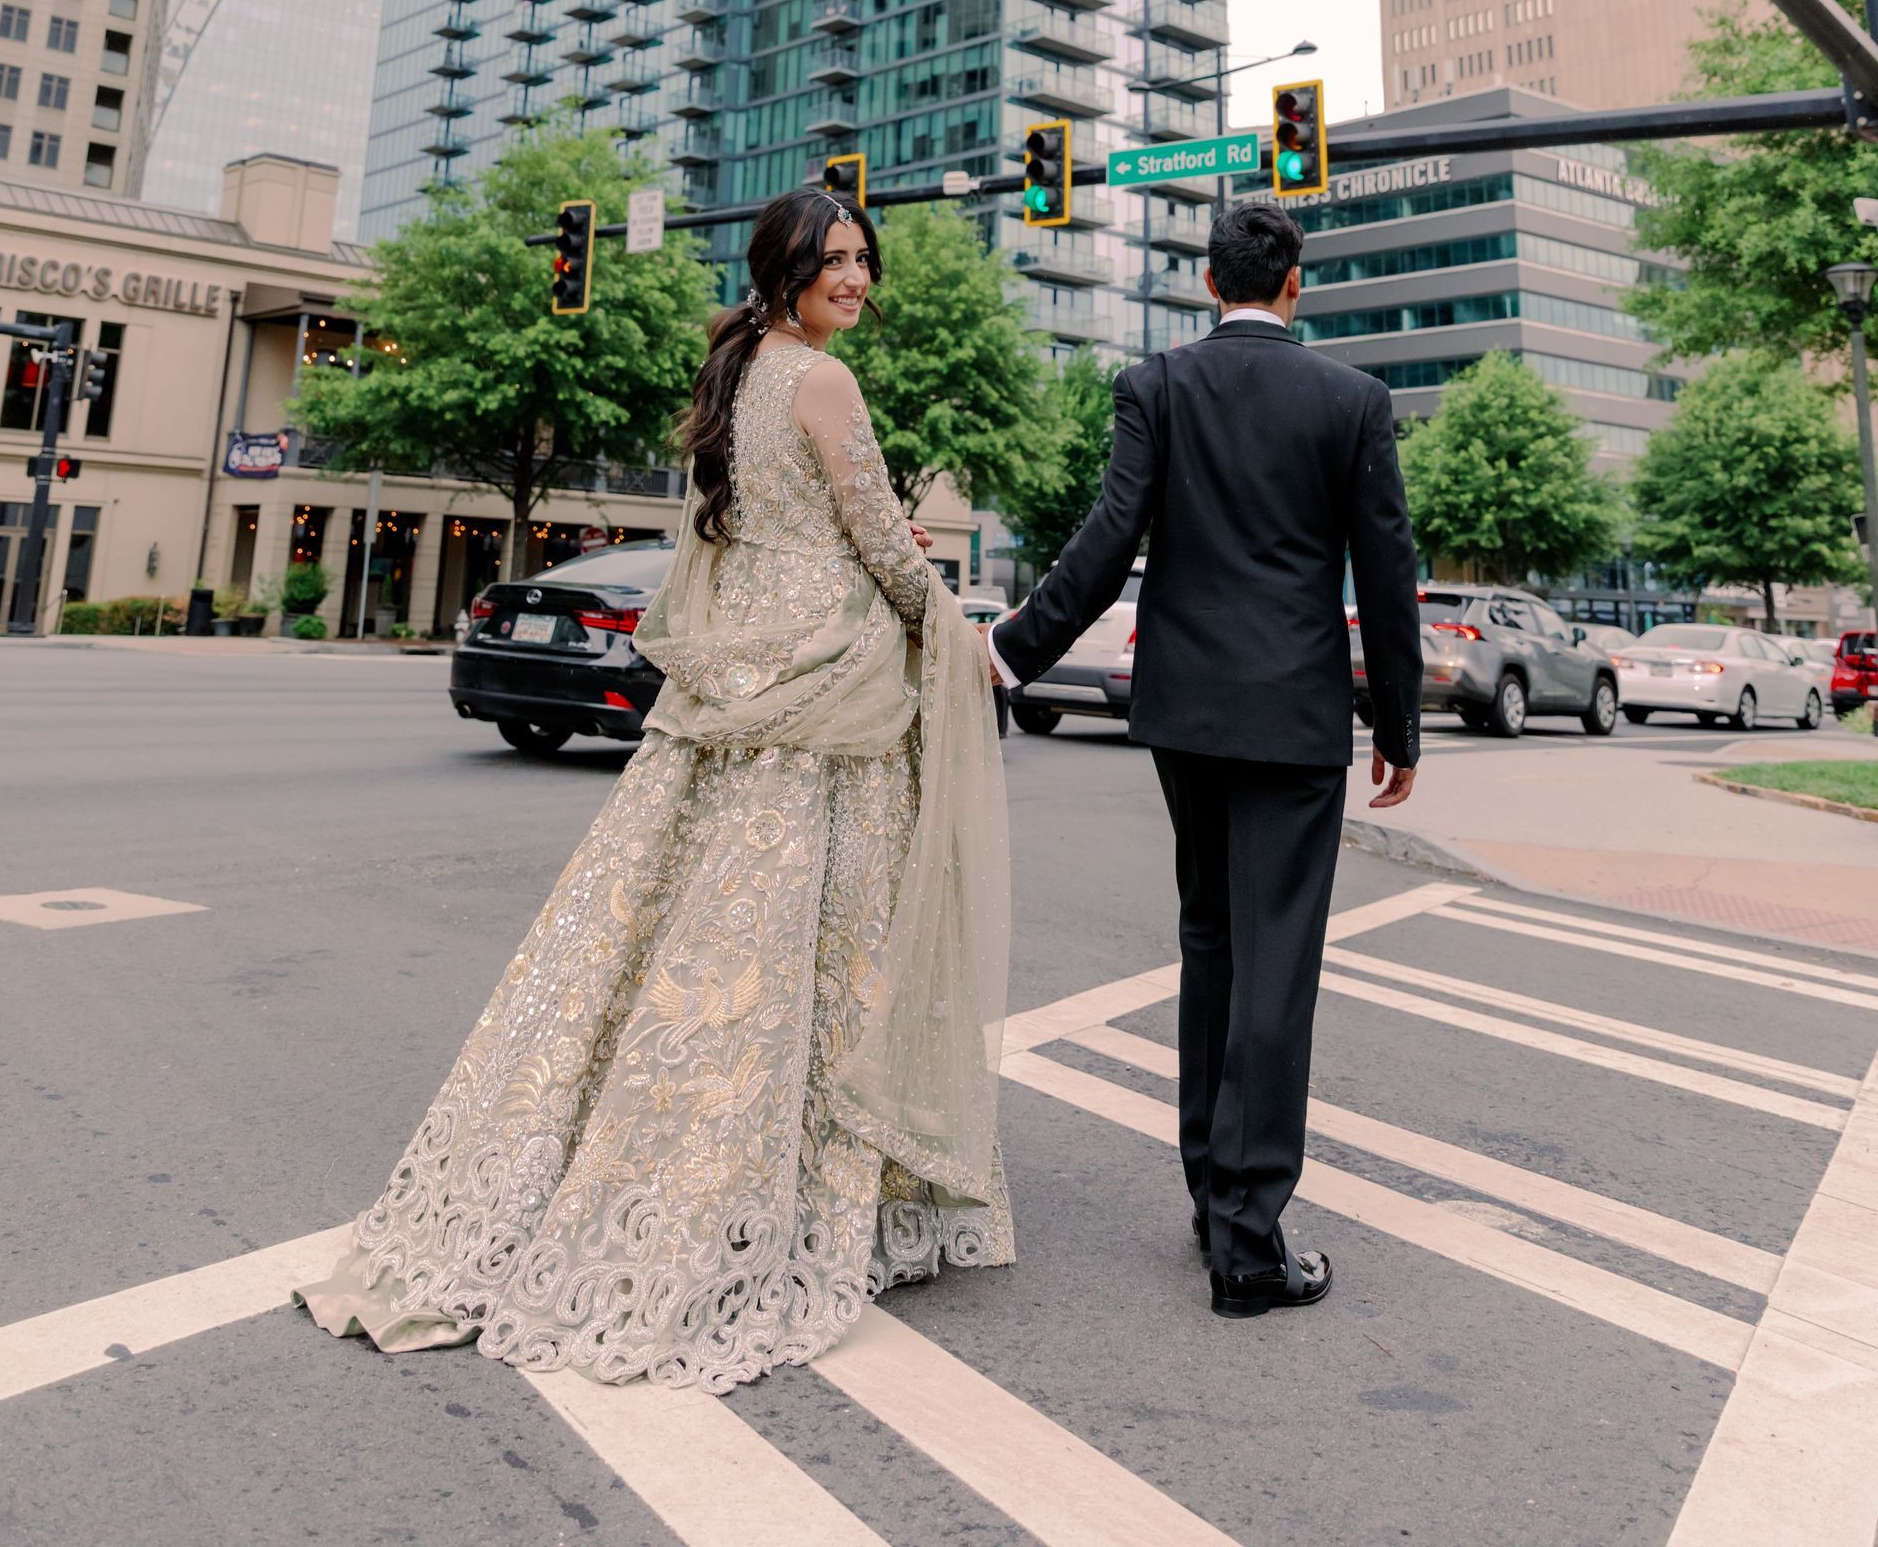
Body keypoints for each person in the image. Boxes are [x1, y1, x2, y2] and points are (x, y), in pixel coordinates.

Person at [298, 187, 1011, 1394]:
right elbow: (881, 543)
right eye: (833, 260)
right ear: (783, 270)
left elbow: (734, 535)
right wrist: (949, 628)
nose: (856, 278)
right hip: (825, 681)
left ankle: (629, 1154)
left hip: (745, 674)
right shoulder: (825, 384)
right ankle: (764, 1184)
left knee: (681, 925)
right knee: (808, 939)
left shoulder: (739, 376)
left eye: (862, 259)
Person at [989, 197, 1420, 1321]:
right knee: (1275, 963)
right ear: (1293, 284)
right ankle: (1247, 1241)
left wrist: (1013, 649)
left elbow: (1107, 537)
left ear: (1208, 282)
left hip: (1185, 714)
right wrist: (1401, 725)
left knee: (1212, 945)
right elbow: (1384, 574)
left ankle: (1208, 1195)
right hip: (1293, 719)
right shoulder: (1353, 401)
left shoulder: (1157, 386)